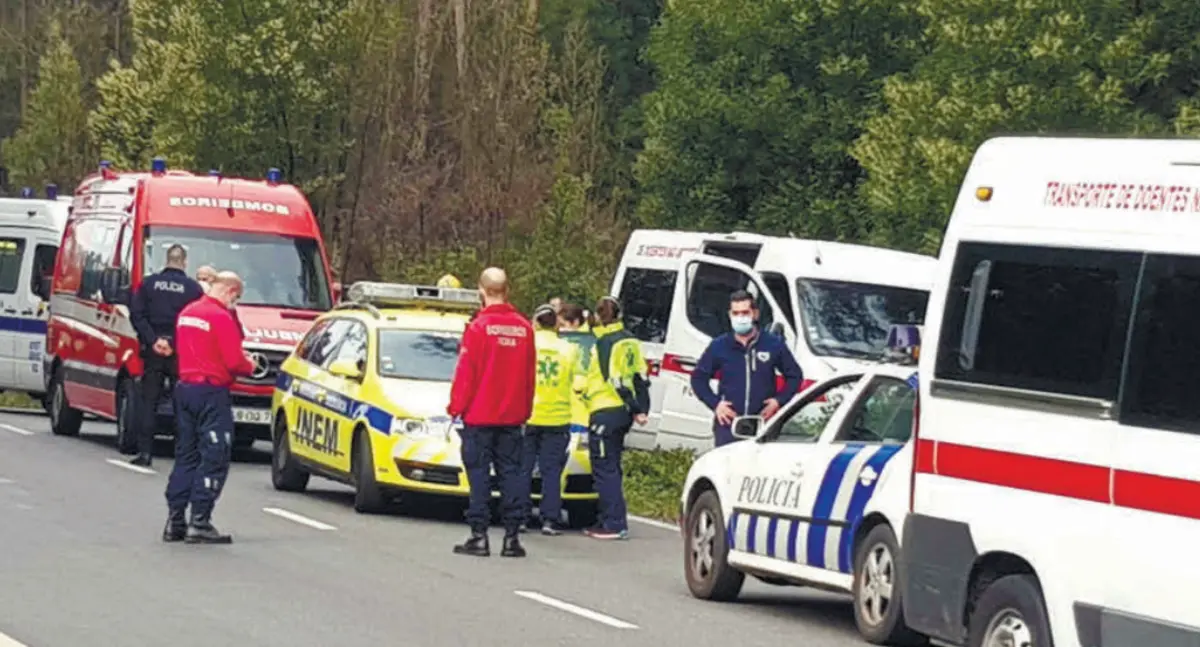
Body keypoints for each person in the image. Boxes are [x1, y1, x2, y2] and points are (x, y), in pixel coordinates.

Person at [447, 267, 537, 558]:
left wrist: (455, 407)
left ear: (481, 292)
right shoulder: (525, 329)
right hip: (512, 417)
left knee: (479, 476)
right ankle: (512, 538)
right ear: (507, 290)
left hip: (479, 416)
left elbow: (466, 373)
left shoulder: (477, 328)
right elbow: (529, 376)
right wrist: (524, 410)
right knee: (511, 474)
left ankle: (479, 535)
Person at [163, 271, 255, 544]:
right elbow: (234, 361)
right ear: (230, 291)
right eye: (236, 298)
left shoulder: (187, 313)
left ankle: (175, 519)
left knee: (186, 455)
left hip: (185, 388)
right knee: (215, 454)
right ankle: (200, 520)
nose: (234, 304)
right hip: (211, 392)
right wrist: (251, 365)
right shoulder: (219, 317)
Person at [690, 290, 804, 448]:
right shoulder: (720, 346)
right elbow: (698, 379)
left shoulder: (773, 344)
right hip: (728, 425)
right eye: (736, 313)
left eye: (745, 312)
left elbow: (795, 376)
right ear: (729, 315)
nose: (740, 318)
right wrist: (716, 404)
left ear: (755, 314)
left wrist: (779, 401)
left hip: (763, 424)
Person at [578, 296, 649, 540]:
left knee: (604, 468)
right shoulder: (631, 340)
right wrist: (641, 408)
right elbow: (641, 376)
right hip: (623, 413)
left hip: (606, 408)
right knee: (613, 465)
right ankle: (610, 517)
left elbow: (614, 378)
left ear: (598, 316)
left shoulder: (606, 342)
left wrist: (633, 405)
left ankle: (613, 523)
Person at [128, 244, 203, 467]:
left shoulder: (149, 284)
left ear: (166, 260)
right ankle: (183, 455)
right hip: (180, 353)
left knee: (149, 401)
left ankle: (145, 453)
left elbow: (137, 315)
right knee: (182, 404)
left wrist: (154, 341)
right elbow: (195, 321)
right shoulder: (193, 289)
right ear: (184, 262)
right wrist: (174, 343)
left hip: (153, 352)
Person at [520, 304, 578, 536]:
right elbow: (574, 379)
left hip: (528, 414)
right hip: (558, 417)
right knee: (551, 471)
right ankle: (550, 520)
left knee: (523, 469)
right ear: (556, 324)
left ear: (535, 322)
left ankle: (521, 517)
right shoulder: (569, 349)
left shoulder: (526, 345)